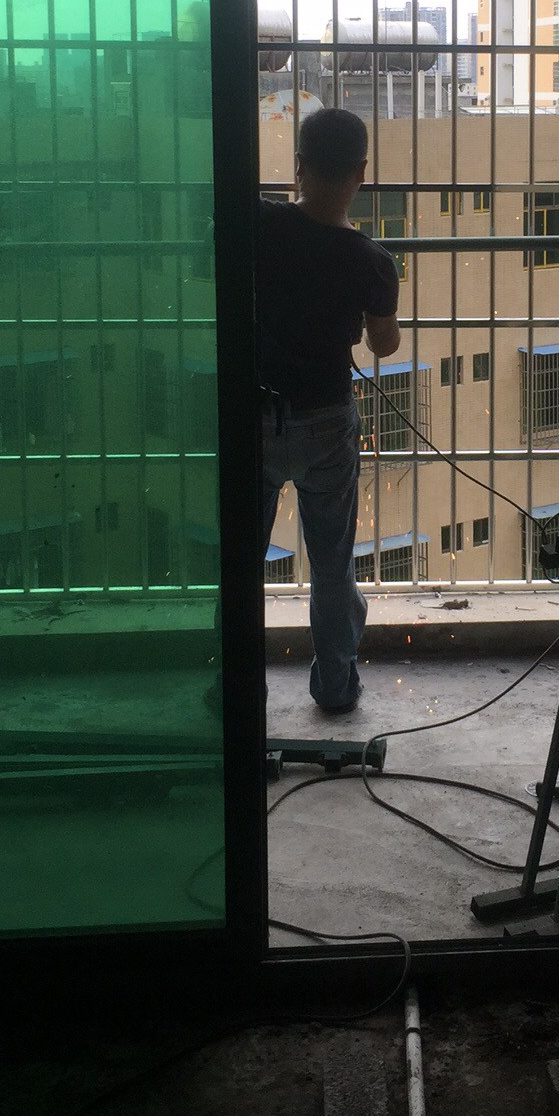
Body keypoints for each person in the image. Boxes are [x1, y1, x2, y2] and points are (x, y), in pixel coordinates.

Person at [205, 106, 400, 719]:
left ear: (298, 166)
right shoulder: (372, 260)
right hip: (327, 420)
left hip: (255, 414)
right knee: (332, 563)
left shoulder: (259, 224)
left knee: (242, 560)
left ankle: (236, 688)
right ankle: (336, 685)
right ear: (361, 173)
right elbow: (384, 345)